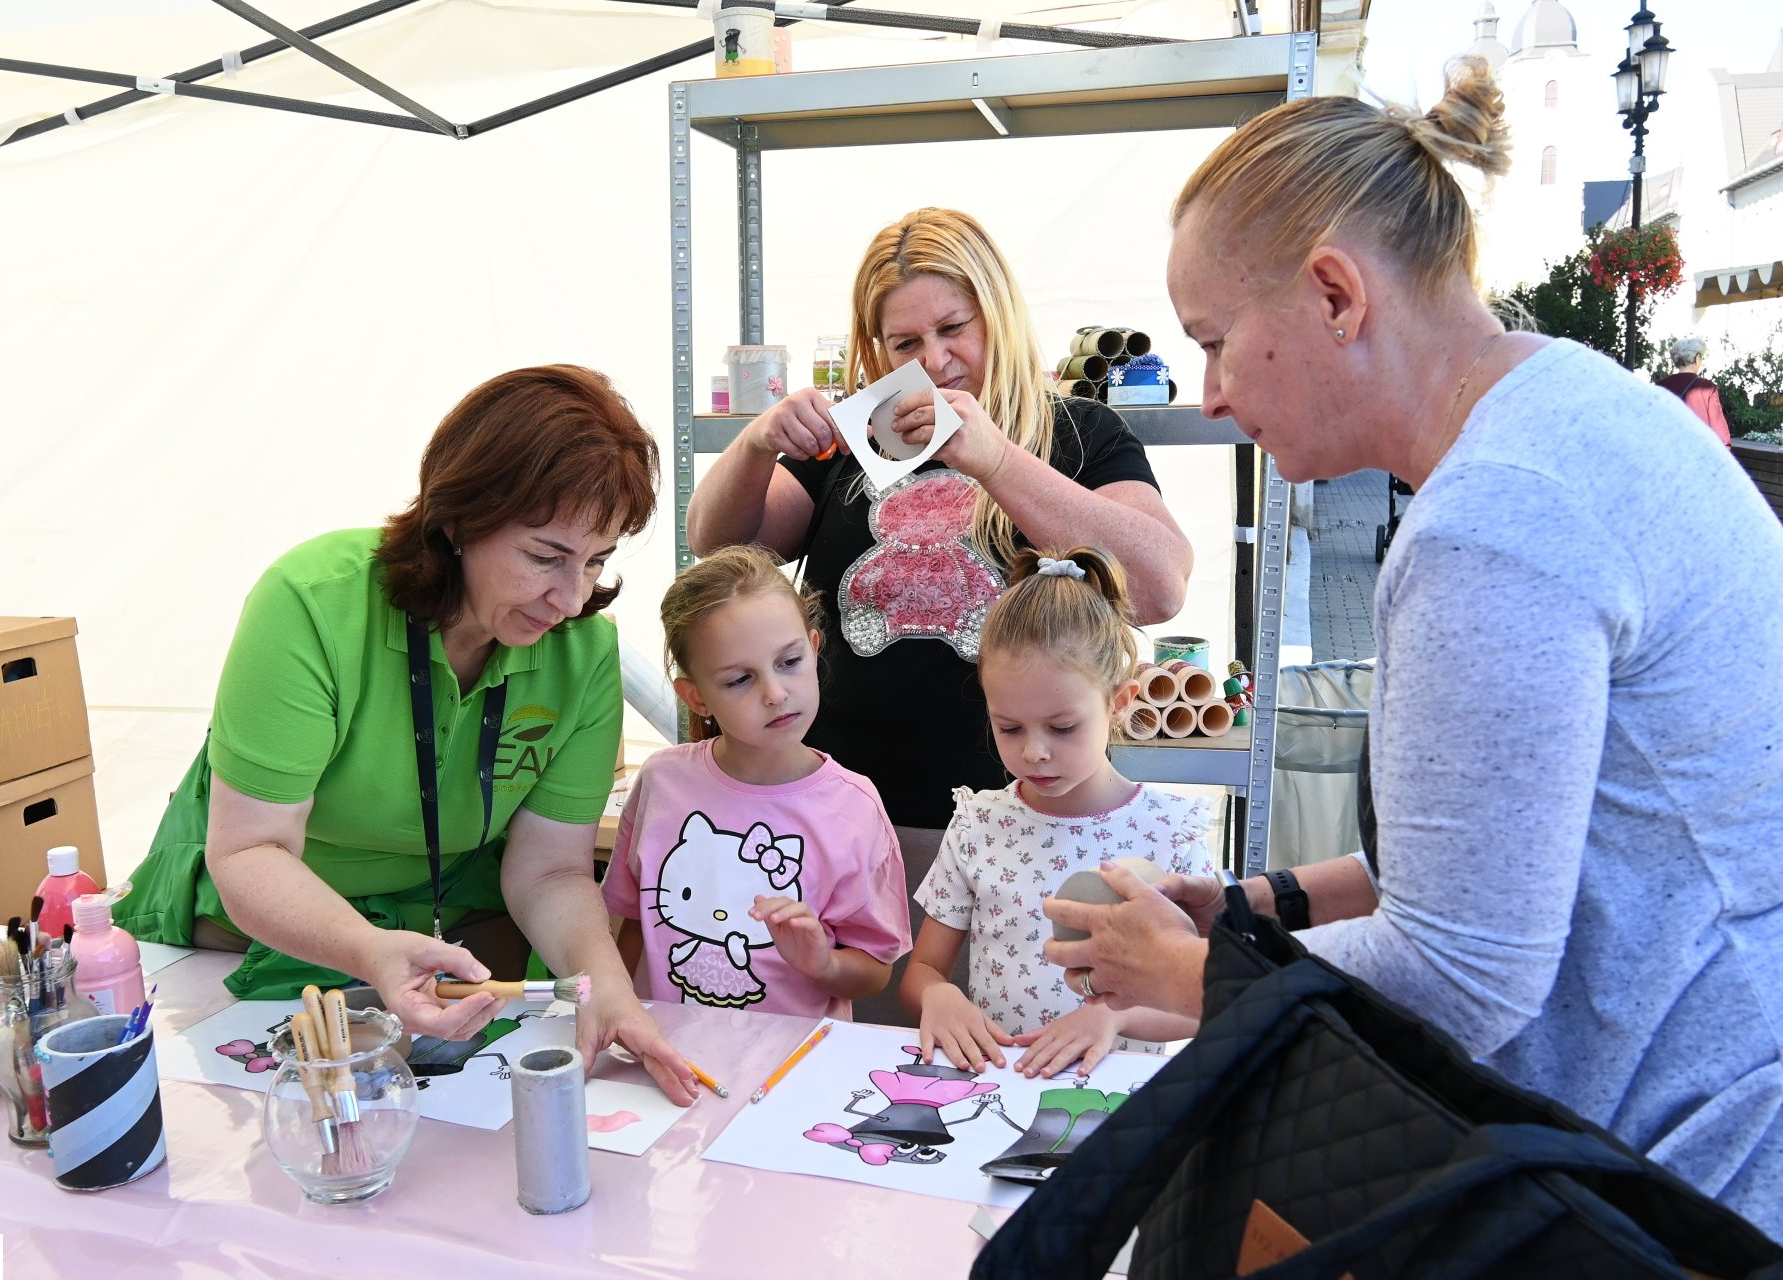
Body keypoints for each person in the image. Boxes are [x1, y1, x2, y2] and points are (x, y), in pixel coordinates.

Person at [1044, 58, 1783, 1236]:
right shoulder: (1565, 406)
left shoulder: (1494, 522)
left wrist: (1187, 978)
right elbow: (1499, 852)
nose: (1212, 393)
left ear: (1336, 294)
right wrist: (1252, 902)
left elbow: (1465, 972)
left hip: (1690, 1178)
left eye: (1218, 338)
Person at [116, 366, 698, 1105]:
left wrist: (605, 991)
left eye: (597, 561)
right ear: (456, 519)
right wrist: (367, 950)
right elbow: (252, 851)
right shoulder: (312, 603)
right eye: (546, 556)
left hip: (440, 919)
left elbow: (550, 871)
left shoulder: (582, 654)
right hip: (265, 915)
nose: (572, 596)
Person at [685, 208, 1194, 1018]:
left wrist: (993, 458)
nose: (935, 362)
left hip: (1011, 838)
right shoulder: (856, 441)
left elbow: (1159, 585)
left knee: (1001, 1048)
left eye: (955, 328)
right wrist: (755, 444)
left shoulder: (1080, 434)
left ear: (998, 312)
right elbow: (719, 543)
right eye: (903, 345)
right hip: (843, 832)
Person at [903, 546, 1209, 1079]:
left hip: (1111, 1102)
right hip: (997, 1086)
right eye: (1009, 727)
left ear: (1119, 701)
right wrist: (938, 998)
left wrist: (1114, 1018)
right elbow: (923, 969)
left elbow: (1205, 996)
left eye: (1062, 727)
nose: (1034, 752)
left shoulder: (1169, 832)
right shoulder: (978, 825)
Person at [602, 545, 912, 1019]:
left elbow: (875, 969)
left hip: (794, 1074)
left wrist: (822, 962)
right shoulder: (662, 780)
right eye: (739, 680)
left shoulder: (855, 806)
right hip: (666, 1063)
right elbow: (630, 927)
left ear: (813, 649)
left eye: (789, 662)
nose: (775, 694)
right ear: (696, 696)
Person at [1655, 336, 1734, 445]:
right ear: (1697, 358)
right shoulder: (1707, 388)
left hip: (1667, 452)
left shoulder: (1660, 386)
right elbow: (1721, 433)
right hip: (1697, 453)